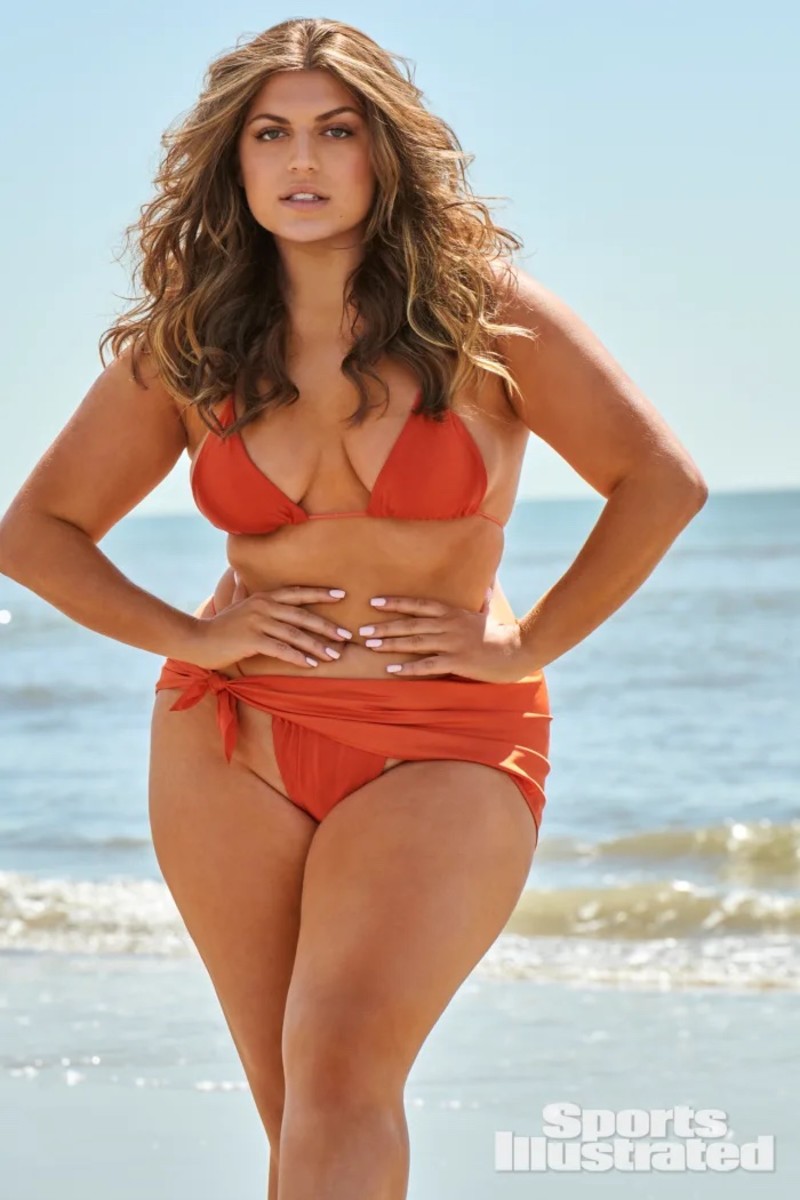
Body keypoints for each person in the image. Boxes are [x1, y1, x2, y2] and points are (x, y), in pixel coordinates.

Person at [0, 17, 707, 1200]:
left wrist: (527, 643)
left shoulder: (482, 313)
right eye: (270, 134)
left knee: (334, 1080)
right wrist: (191, 635)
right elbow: (35, 533)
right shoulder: (197, 341)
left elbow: (660, 483)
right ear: (233, 163)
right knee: (300, 1113)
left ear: (385, 154)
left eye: (337, 131)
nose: (303, 161)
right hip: (230, 739)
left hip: (445, 741)